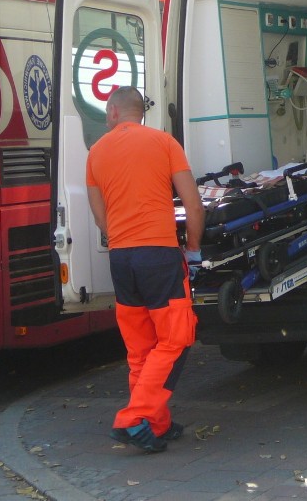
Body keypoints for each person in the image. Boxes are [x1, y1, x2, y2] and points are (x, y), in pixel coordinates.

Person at [86, 86, 204, 454]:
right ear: (141, 112)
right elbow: (194, 206)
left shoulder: (95, 153)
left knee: (140, 349)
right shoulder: (164, 142)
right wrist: (194, 251)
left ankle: (156, 424)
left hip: (121, 259)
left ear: (112, 111)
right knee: (176, 339)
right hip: (159, 255)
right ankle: (133, 418)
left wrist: (120, 235)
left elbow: (100, 218)